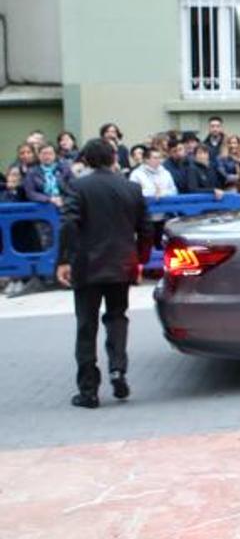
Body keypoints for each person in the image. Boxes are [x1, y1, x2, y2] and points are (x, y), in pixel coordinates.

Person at [56, 139, 153, 408]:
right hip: (122, 263)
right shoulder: (131, 188)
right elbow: (146, 229)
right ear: (113, 158)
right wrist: (141, 259)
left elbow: (69, 224)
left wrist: (64, 260)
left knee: (86, 325)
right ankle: (118, 368)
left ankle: (88, 389)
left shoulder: (78, 186)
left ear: (86, 160)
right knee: (117, 317)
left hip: (87, 265)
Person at [23, 143, 71, 208]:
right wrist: (49, 199)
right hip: (42, 206)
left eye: (50, 153)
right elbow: (30, 193)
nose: (47, 156)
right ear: (38, 155)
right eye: (44, 154)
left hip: (64, 204)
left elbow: (73, 188)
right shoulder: (32, 172)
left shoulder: (65, 169)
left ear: (55, 155)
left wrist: (62, 199)